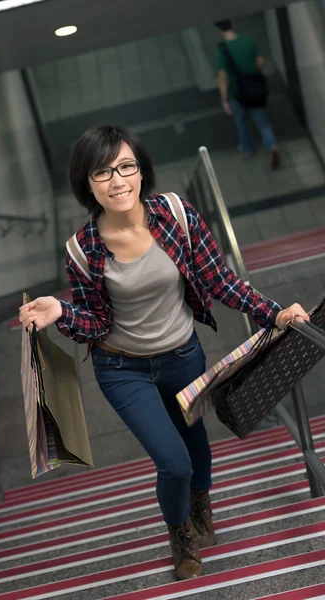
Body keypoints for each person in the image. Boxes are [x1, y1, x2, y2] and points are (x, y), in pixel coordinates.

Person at [19, 125, 309, 580]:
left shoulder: (176, 214)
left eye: (126, 166)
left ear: (141, 169)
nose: (118, 181)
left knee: (195, 442)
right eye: (103, 172)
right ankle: (180, 535)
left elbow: (221, 281)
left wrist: (276, 314)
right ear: (87, 183)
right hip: (121, 368)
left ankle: (201, 505)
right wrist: (61, 310)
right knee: (173, 461)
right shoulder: (82, 248)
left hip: (183, 357)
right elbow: (96, 323)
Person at [215, 19, 281, 169]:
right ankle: (272, 146)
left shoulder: (222, 50)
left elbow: (222, 76)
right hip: (254, 88)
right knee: (263, 121)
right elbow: (259, 62)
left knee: (241, 122)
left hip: (236, 93)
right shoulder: (248, 40)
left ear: (219, 30)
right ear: (232, 25)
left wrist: (224, 99)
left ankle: (248, 148)